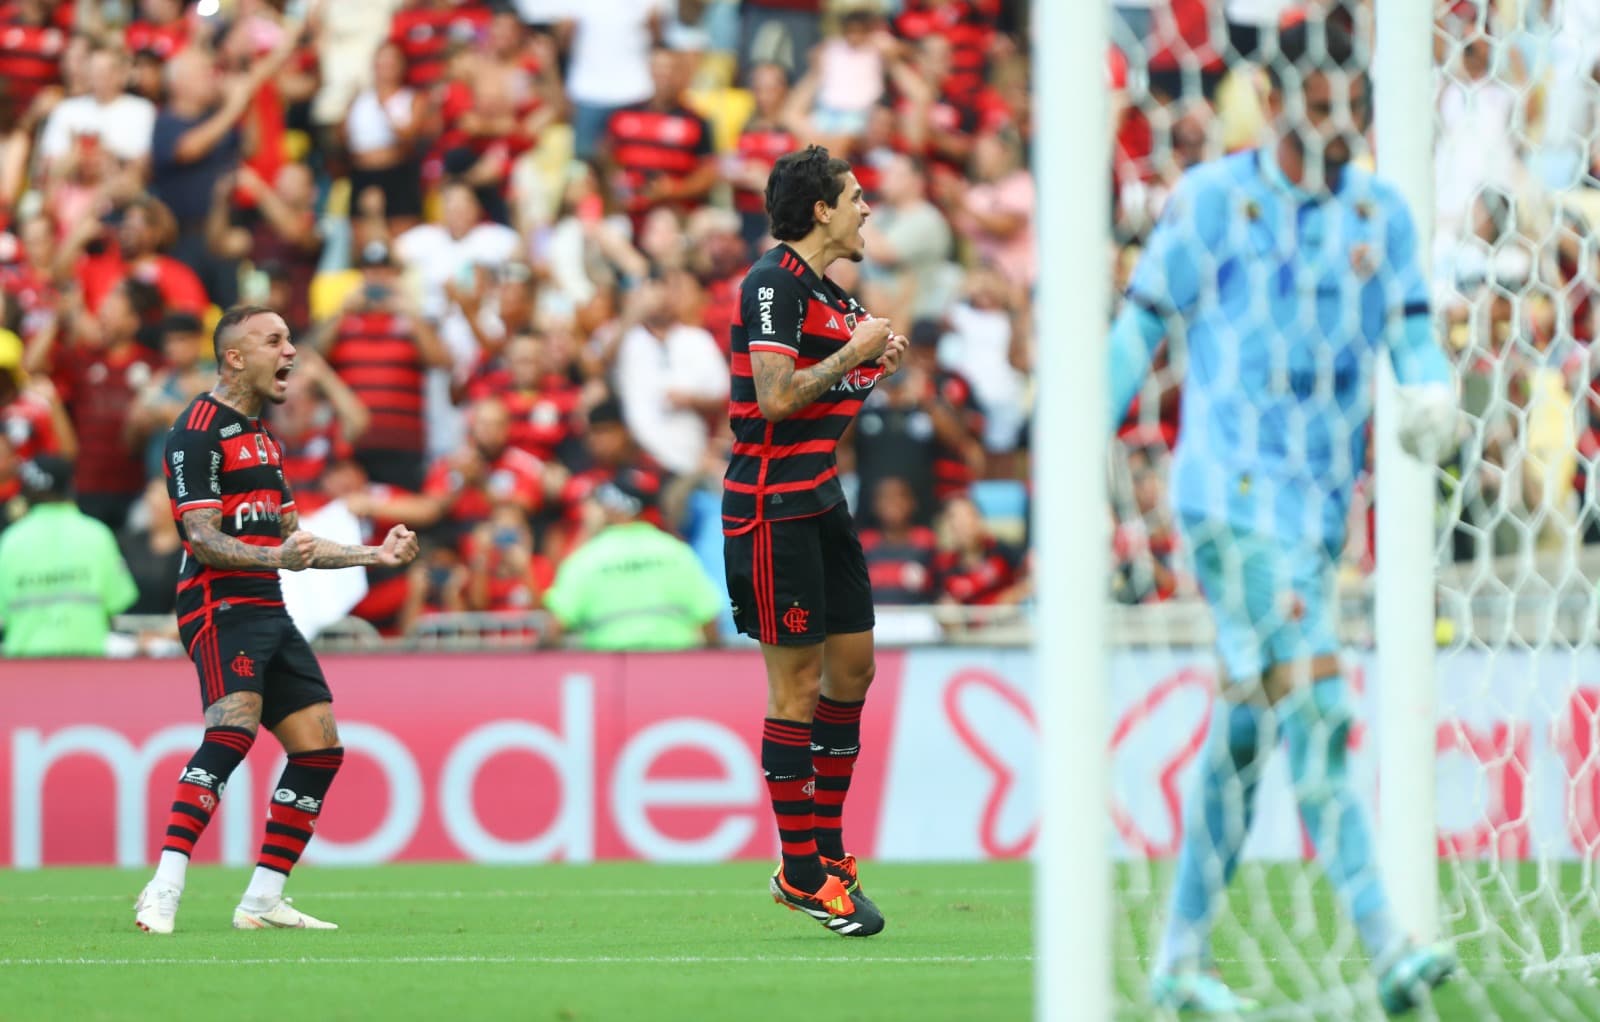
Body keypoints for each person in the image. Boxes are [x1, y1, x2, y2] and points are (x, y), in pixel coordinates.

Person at [1106, 18, 1459, 1015]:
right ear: (1275, 101)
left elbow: (1413, 334)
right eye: (1321, 94)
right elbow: (1140, 327)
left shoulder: (1381, 215)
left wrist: (1431, 392)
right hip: (1225, 494)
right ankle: (1388, 943)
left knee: (1249, 728)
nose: (1341, 112)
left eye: (1355, 93)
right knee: (1320, 703)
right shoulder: (1215, 201)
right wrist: (1073, 439)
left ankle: (1178, 955)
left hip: (1311, 509)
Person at [134, 305, 421, 936]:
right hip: (219, 601)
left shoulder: (265, 438)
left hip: (266, 601)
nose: (291, 351)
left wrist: (377, 553)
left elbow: (296, 541)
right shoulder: (197, 428)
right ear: (235, 357)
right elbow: (201, 537)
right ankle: (163, 885)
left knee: (319, 748)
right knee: (231, 732)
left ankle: (262, 899)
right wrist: (272, 556)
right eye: (275, 340)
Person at [723, 144, 907, 937]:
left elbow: (836, 375)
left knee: (854, 670)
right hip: (772, 511)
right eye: (856, 196)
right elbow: (772, 399)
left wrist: (873, 363)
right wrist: (855, 356)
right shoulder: (771, 284)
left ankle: (828, 850)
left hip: (821, 499)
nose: (868, 208)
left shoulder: (834, 294)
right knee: (795, 691)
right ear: (821, 210)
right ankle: (801, 871)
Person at [543, 468, 720, 650]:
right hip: (675, 667)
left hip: (609, 670)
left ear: (609, 508)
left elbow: (553, 627)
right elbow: (710, 619)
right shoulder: (676, 552)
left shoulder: (587, 558)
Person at [0, 454, 138, 657]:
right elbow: (118, 601)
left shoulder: (11, 540)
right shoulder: (98, 535)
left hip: (25, 663)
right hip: (88, 662)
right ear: (71, 486)